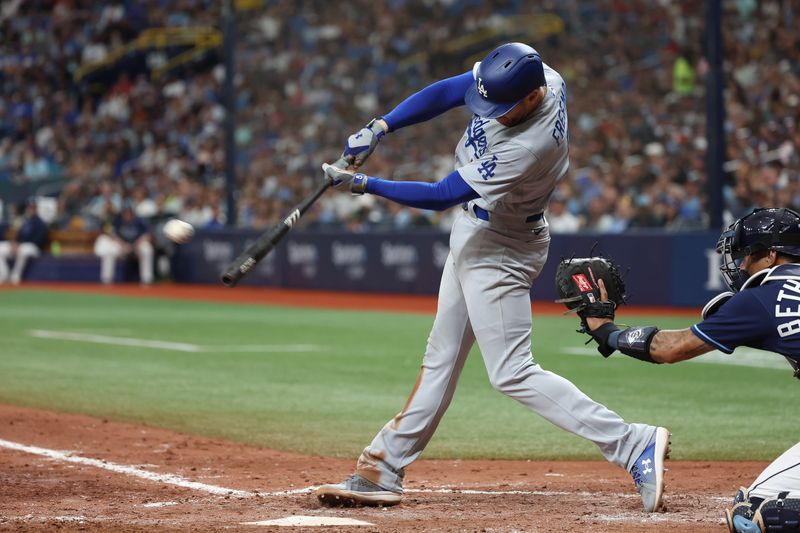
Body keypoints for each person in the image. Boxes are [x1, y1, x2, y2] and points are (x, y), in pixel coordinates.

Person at [315, 42, 670, 512]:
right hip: (479, 230)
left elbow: (442, 194)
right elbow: (450, 90)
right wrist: (380, 126)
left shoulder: (530, 145)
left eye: (502, 108)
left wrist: (364, 184)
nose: (491, 113)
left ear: (531, 97)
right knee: (440, 358)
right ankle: (382, 467)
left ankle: (631, 443)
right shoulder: (538, 76)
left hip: (501, 246)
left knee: (511, 371)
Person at [579, 207, 800, 533]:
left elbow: (670, 348)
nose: (740, 266)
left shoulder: (763, 297)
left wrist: (607, 332)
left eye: (746, 257)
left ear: (769, 255)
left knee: (753, 516)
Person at [93, 205, 153, 285]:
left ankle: (147, 279)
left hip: (137, 246)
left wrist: (137, 244)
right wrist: (123, 245)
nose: (127, 216)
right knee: (110, 251)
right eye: (125, 214)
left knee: (147, 249)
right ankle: (106, 279)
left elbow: (148, 235)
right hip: (122, 247)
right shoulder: (118, 221)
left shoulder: (139, 221)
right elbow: (112, 235)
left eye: (129, 214)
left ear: (132, 214)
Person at [0, 199, 48, 285]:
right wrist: (14, 244)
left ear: (36, 209)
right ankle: (3, 275)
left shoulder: (40, 223)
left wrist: (20, 245)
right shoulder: (26, 222)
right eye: (29, 208)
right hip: (21, 246)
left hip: (34, 247)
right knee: (1, 249)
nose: (30, 210)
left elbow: (39, 240)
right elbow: (19, 236)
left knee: (23, 250)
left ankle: (15, 276)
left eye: (33, 208)